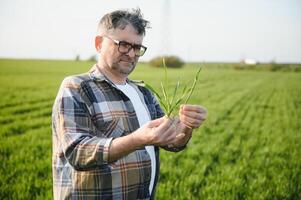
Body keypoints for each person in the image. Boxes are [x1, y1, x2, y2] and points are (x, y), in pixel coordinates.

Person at [52, 8, 207, 200]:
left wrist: (187, 127)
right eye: (123, 44)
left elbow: (173, 142)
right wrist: (137, 139)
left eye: (137, 47)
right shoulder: (77, 87)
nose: (131, 53)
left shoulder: (143, 92)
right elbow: (77, 152)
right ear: (99, 43)